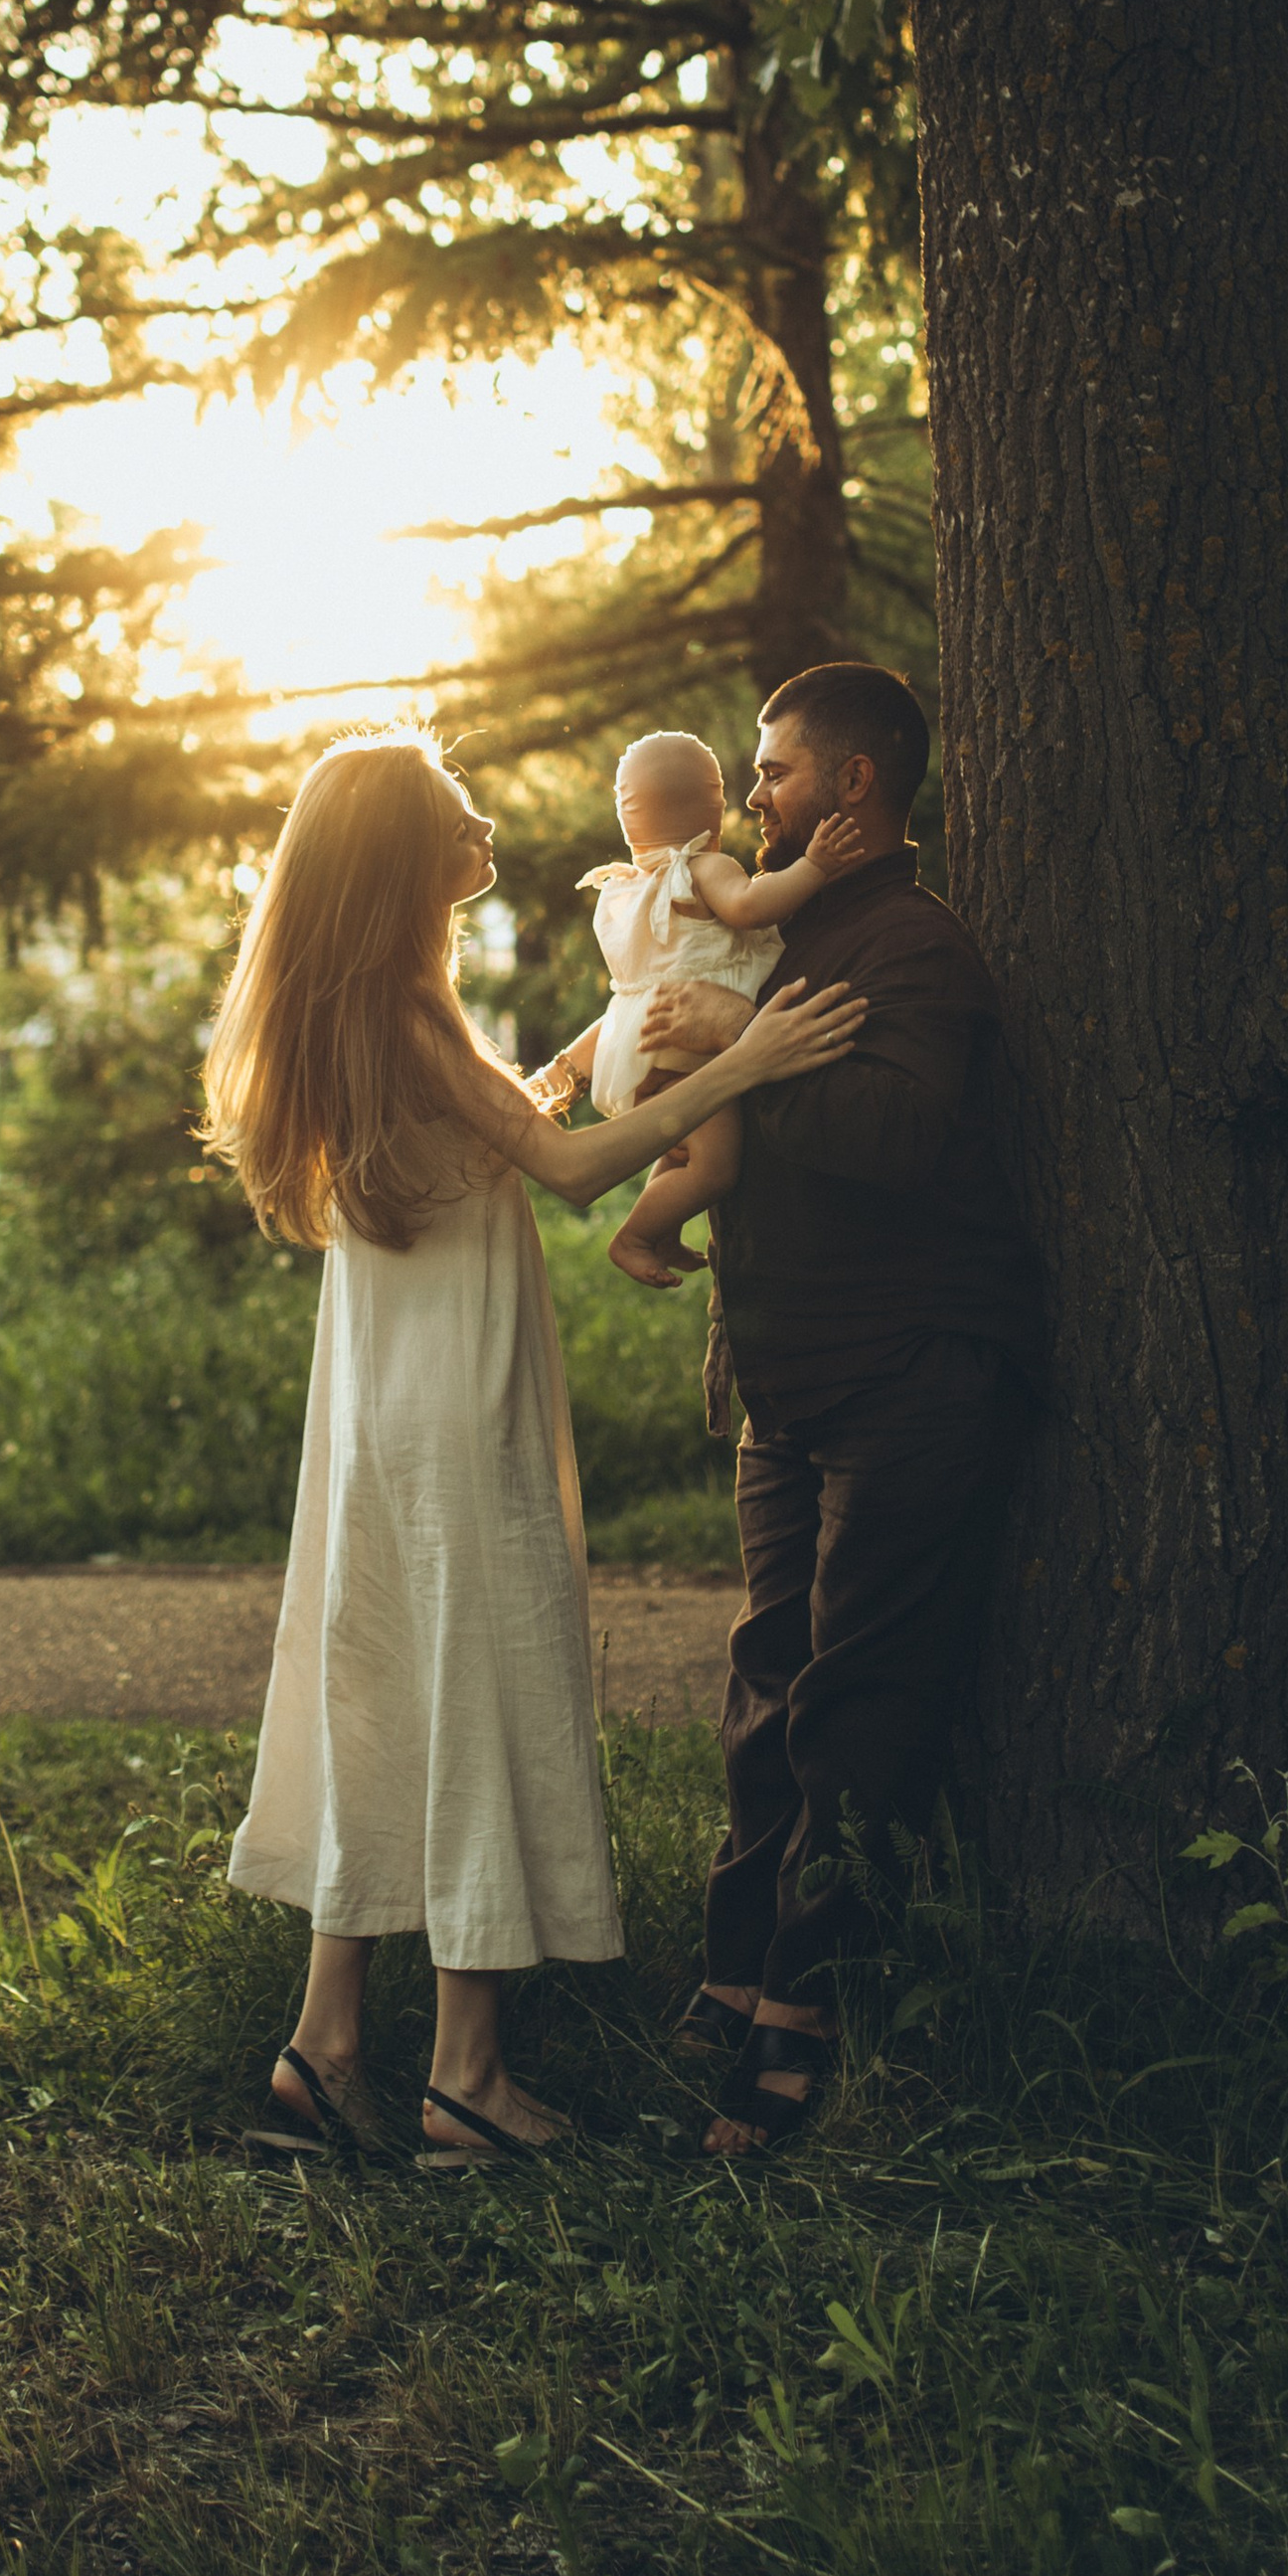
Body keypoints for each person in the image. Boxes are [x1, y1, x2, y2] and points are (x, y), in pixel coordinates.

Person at [201, 729, 866, 2170]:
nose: (487, 823)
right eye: (456, 815)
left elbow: (506, 1122)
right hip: (453, 1397)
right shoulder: (405, 1007)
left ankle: (322, 2054)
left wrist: (581, 1055)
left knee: (383, 1688)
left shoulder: (361, 1006)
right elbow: (564, 1171)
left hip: (380, 1398)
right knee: (484, 1680)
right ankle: (467, 2082)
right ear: (398, 858)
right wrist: (743, 1062)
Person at [610, 664, 1043, 2158]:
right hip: (787, 1380)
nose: (752, 794)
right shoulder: (785, 927)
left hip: (909, 1372)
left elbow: (901, 1134)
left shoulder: (910, 944)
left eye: (775, 769)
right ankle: (734, 1973)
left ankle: (807, 2012)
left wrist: (728, 1067)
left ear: (853, 784)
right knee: (765, 1686)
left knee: (858, 1699)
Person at [539, 728, 862, 1290]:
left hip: (644, 1051)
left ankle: (662, 1233)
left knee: (681, 1146)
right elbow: (750, 907)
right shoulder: (701, 867)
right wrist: (814, 866)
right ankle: (636, 1235)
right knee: (716, 1166)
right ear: (710, 805)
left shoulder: (628, 890)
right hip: (691, 1053)